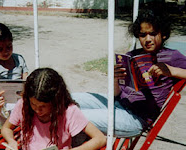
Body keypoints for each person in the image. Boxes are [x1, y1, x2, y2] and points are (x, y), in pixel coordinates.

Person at [71, 7, 186, 138]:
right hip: (117, 103)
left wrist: (172, 71)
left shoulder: (172, 57)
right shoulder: (132, 56)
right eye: (143, 35)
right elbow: (115, 94)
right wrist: (116, 79)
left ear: (163, 34)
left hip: (135, 118)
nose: (147, 39)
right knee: (66, 98)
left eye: (153, 34)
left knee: (74, 115)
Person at [0, 23, 28, 124]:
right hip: (4, 105)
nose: (6, 52)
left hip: (21, 99)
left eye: (9, 47)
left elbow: (26, 82)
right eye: (0, 49)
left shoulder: (18, 59)